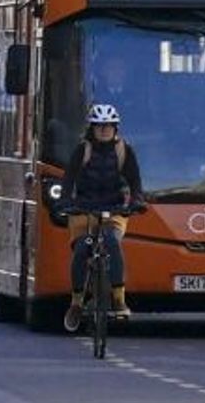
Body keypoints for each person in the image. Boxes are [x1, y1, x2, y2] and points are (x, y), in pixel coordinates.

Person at [61, 104, 145, 329]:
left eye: (108, 126)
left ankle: (118, 299)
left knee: (111, 241)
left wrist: (136, 202)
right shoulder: (82, 150)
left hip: (114, 209)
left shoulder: (124, 151)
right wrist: (65, 202)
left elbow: (135, 182)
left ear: (115, 128)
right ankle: (77, 301)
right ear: (92, 128)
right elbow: (68, 180)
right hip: (84, 210)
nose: (104, 130)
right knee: (81, 249)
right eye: (99, 126)